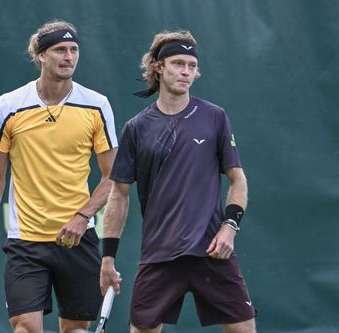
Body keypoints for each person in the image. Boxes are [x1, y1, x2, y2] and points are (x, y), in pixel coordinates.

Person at [99, 30, 257, 332]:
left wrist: (229, 227)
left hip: (212, 251)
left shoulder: (215, 117)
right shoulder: (136, 128)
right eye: (177, 63)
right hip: (159, 254)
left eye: (191, 66)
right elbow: (118, 195)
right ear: (159, 67)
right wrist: (108, 259)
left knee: (244, 329)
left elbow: (238, 180)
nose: (186, 72)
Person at [0, 19, 118, 333]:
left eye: (74, 49)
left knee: (76, 329)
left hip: (77, 238)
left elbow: (112, 176)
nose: (69, 57)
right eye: (60, 50)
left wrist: (83, 215)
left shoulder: (96, 106)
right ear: (41, 56)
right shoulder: (9, 107)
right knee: (25, 328)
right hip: (25, 242)